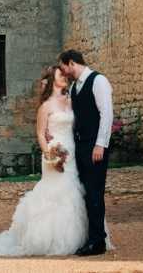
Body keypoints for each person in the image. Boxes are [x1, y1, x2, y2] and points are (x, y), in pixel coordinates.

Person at [0, 65, 88, 256]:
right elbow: (40, 134)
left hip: (72, 152)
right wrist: (49, 154)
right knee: (56, 192)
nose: (65, 77)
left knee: (73, 191)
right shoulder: (46, 106)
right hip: (54, 151)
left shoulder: (70, 101)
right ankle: (50, 239)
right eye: (61, 74)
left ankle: (76, 237)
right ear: (52, 80)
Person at [58, 49, 113, 257]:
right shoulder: (74, 88)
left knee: (95, 193)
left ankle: (97, 241)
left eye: (64, 67)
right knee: (84, 194)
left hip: (95, 147)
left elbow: (106, 114)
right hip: (80, 147)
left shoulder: (99, 81)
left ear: (71, 63)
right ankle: (91, 237)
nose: (64, 72)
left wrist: (101, 144)